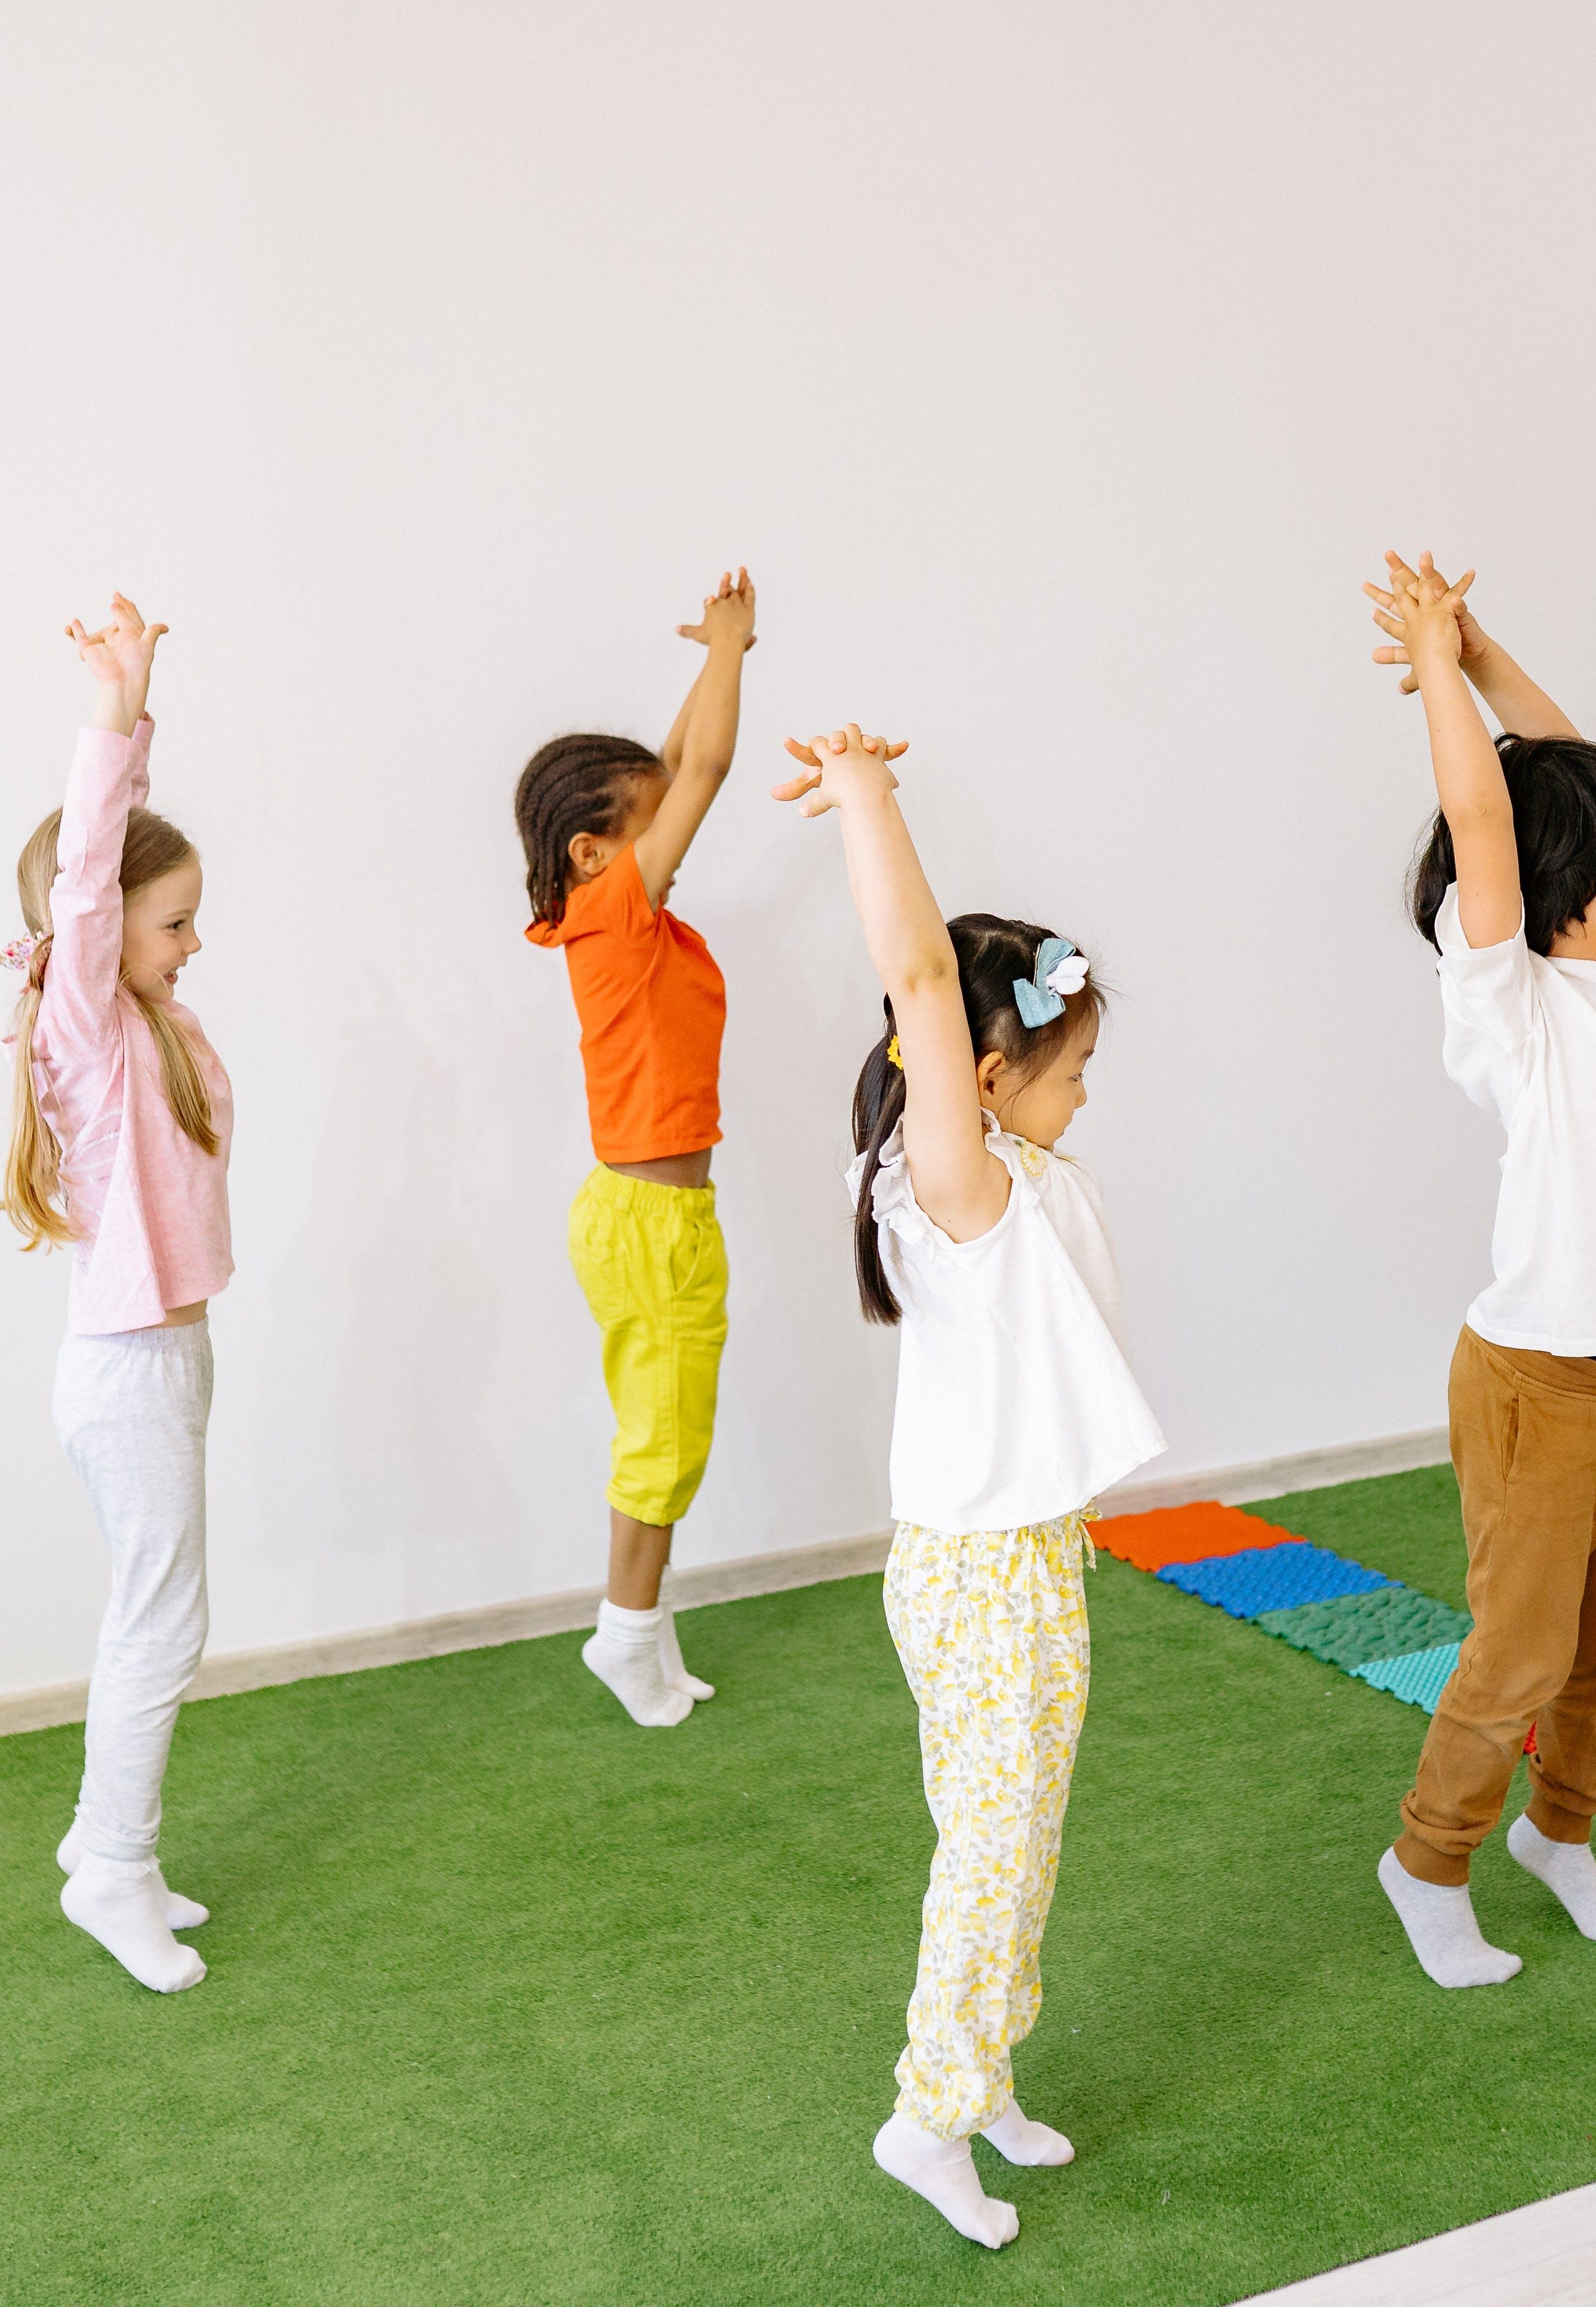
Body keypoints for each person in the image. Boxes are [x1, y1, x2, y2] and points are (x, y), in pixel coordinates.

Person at [778, 721, 1159, 2252]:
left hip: (1015, 1554)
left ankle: (985, 2067)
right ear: (985, 1079)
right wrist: (872, 801)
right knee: (988, 1855)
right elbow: (923, 982)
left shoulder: (1008, 1175)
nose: (1085, 1097)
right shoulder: (961, 1187)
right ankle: (925, 2114)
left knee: (1021, 1835)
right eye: (1067, 1072)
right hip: (982, 1571)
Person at [1365, 553, 1596, 1989]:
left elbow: (1569, 773)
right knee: (1518, 1648)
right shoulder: (1517, 1005)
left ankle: (1559, 1831)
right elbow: (1487, 815)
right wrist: (1439, 678)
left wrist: (1490, 647)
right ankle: (1429, 1856)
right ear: (1557, 905)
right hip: (1531, 1384)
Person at [0, 593, 232, 1993]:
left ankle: (113, 1853)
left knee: (164, 1613)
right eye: (176, 921)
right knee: (161, 1623)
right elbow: (86, 881)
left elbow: (113, 889)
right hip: (129, 1367)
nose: (192, 940)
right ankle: (110, 1869)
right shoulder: (83, 1030)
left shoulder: (158, 1022)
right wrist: (116, 713)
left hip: (172, 1353)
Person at [514, 571, 757, 1726]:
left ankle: (645, 1634)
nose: (670, 839)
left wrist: (702, 671)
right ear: (589, 852)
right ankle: (623, 1636)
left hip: (657, 1216)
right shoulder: (612, 915)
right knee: (662, 1440)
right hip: (649, 1223)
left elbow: (673, 768)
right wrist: (731, 650)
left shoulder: (614, 911)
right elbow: (701, 773)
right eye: (643, 830)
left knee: (673, 1431)